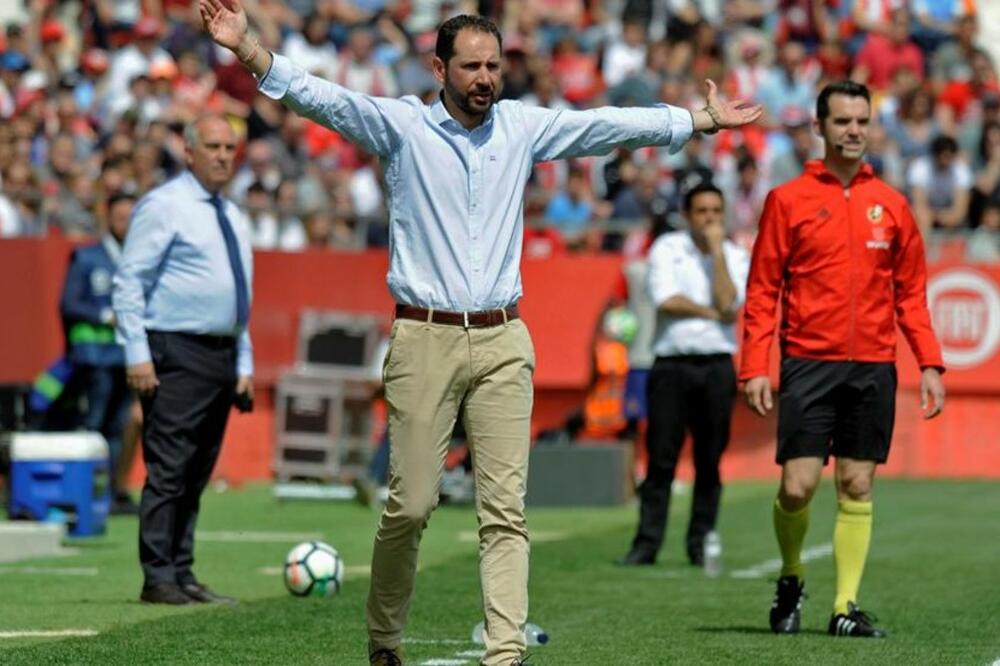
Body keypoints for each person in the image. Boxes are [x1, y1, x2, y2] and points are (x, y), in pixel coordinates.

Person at [199, 4, 761, 663]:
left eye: (494, 65)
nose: (485, 77)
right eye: (471, 66)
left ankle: (504, 652)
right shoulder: (403, 126)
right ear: (439, 68)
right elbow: (320, 97)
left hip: (502, 341)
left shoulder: (520, 127)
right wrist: (247, 50)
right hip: (423, 338)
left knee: (504, 513)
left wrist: (692, 120)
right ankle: (384, 639)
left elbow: (600, 126)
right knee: (409, 508)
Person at [740, 81, 946, 639]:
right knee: (797, 488)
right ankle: (790, 577)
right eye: (842, 121)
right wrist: (755, 364)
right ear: (819, 127)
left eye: (861, 121)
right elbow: (762, 291)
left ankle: (844, 606)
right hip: (808, 362)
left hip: (873, 365)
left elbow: (911, 295)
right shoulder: (787, 201)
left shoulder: (895, 206)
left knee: (857, 485)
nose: (853, 131)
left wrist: (929, 362)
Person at [112, 114, 255, 606]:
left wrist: (243, 361)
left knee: (197, 470)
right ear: (189, 153)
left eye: (228, 148)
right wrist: (136, 352)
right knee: (170, 467)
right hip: (174, 349)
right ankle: (158, 575)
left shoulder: (232, 213)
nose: (221, 155)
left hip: (219, 352)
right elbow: (129, 282)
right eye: (212, 146)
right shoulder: (164, 206)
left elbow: (240, 297)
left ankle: (183, 570)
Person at [617, 182, 749, 568]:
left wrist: (718, 255)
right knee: (661, 459)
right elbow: (667, 300)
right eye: (703, 211)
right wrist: (713, 314)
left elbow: (730, 302)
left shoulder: (735, 255)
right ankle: (646, 544)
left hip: (717, 365)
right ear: (688, 215)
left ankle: (700, 542)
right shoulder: (667, 248)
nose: (710, 219)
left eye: (716, 212)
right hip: (671, 364)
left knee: (710, 461)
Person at [59, 193, 140, 515]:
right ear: (109, 218)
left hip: (126, 357)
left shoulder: (139, 262)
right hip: (95, 358)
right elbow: (69, 303)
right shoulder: (87, 257)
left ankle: (110, 494)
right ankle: (84, 493)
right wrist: (107, 316)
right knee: (94, 423)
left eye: (132, 219)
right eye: (121, 218)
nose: (127, 225)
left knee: (120, 427)